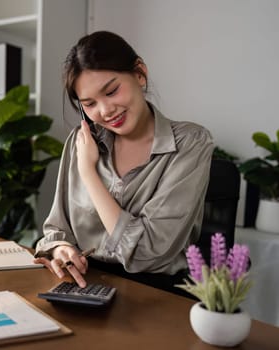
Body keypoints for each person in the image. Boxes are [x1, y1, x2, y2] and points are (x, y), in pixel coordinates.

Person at [33, 31, 214, 289]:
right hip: (85, 285)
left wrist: (88, 173)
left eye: (112, 91)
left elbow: (146, 253)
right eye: (90, 103)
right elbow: (55, 229)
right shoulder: (82, 141)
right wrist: (60, 248)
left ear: (140, 73)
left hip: (155, 294)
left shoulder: (191, 142)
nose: (105, 111)